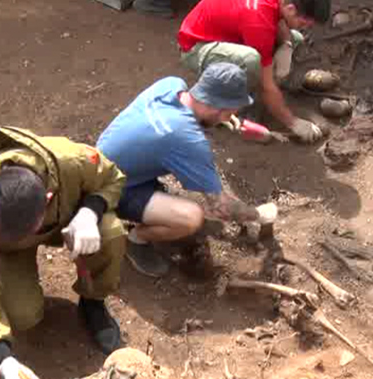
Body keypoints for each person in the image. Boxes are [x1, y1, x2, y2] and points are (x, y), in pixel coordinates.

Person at [0, 126, 126, 379]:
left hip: (67, 222)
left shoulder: (70, 160)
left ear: (47, 199)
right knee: (23, 317)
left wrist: (88, 212)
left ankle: (92, 300)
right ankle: (18, 282)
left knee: (110, 231)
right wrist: (4, 360)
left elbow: (112, 178)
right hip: (9, 252)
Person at [97, 63, 277, 277]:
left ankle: (146, 203)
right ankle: (136, 239)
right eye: (229, 113)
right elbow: (221, 207)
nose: (230, 118)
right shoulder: (187, 140)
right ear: (218, 107)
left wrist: (219, 119)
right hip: (107, 192)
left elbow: (179, 125)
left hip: (102, 164)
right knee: (191, 217)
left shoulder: (170, 85)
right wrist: (257, 214)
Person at [178, 0, 331, 143]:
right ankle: (236, 109)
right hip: (196, 45)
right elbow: (267, 86)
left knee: (295, 38)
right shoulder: (258, 22)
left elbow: (278, 17)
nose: (305, 27)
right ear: (291, 9)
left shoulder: (279, 4)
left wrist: (286, 44)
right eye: (304, 23)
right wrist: (292, 122)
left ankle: (263, 92)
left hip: (226, 31)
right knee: (251, 62)